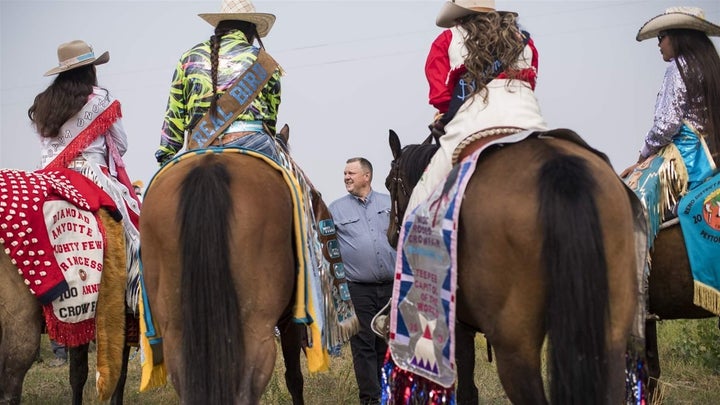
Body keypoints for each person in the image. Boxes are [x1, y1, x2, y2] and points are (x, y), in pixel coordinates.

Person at [28, 39, 141, 311]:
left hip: (49, 177)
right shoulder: (101, 100)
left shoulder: (43, 102)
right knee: (135, 230)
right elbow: (122, 145)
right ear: (91, 69)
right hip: (93, 175)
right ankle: (135, 299)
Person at [409, 0, 547, 211]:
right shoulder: (524, 40)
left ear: (458, 15)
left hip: (472, 126)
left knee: (419, 204)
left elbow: (440, 97)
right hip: (528, 121)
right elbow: (531, 82)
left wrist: (446, 113)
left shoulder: (447, 39)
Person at [156, 0, 283, 165]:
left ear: (218, 27)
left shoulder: (189, 58)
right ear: (252, 31)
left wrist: (165, 158)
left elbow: (174, 118)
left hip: (200, 146)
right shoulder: (266, 63)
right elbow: (270, 122)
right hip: (254, 143)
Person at [621, 6, 720, 193]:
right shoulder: (711, 66)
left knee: (636, 198)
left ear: (677, 37)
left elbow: (665, 125)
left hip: (687, 161)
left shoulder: (679, 68)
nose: (659, 45)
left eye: (661, 37)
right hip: (713, 156)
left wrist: (643, 157)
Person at [328, 158, 397, 405]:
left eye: (351, 172)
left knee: (388, 345)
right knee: (364, 345)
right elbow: (325, 249)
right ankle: (371, 399)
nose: (346, 176)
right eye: (344, 172)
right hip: (357, 289)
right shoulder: (334, 210)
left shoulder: (390, 203)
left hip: (392, 288)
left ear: (366, 176)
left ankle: (389, 396)